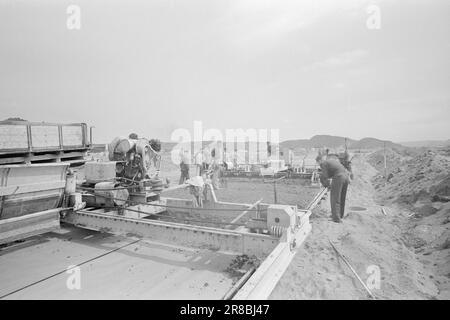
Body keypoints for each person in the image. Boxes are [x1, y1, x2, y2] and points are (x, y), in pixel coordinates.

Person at [316, 153, 350, 223]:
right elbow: (332, 172)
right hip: (346, 177)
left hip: (339, 177)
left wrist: (325, 184)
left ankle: (336, 219)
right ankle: (340, 215)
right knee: (341, 197)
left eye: (318, 163)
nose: (319, 164)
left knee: (335, 198)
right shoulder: (331, 161)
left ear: (319, 161)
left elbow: (325, 176)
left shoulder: (323, 163)